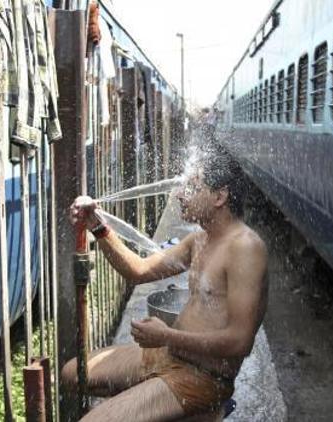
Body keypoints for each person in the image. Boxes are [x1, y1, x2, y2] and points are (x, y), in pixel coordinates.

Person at [63, 144, 268, 421]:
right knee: (73, 373)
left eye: (192, 188)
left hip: (202, 377)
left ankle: (203, 408)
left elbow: (240, 342)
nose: (180, 195)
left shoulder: (246, 248)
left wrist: (166, 336)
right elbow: (139, 270)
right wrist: (97, 226)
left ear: (220, 196)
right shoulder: (199, 239)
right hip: (167, 355)